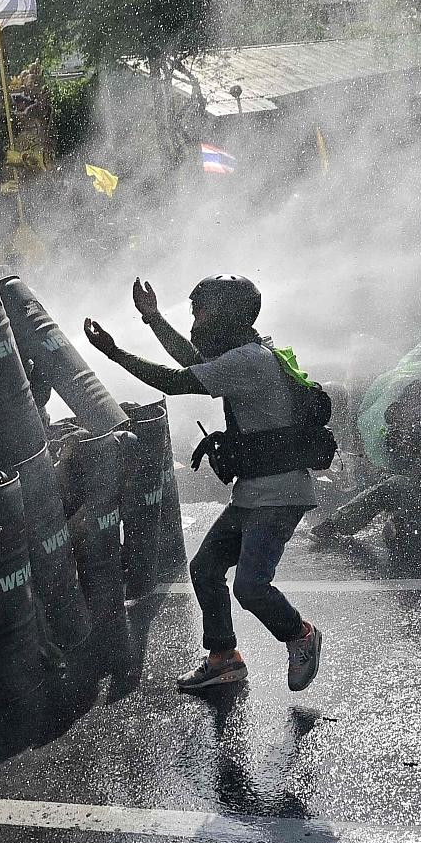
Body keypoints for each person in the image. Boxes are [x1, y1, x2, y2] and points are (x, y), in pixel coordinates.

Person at [84, 275, 323, 694]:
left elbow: (178, 382)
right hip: (256, 492)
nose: (196, 321)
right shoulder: (248, 353)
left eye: (201, 312)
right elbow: (192, 362)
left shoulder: (250, 360)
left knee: (250, 586)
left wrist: (115, 353)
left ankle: (300, 634)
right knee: (206, 569)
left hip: (279, 494)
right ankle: (223, 658)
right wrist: (153, 318)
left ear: (226, 315)